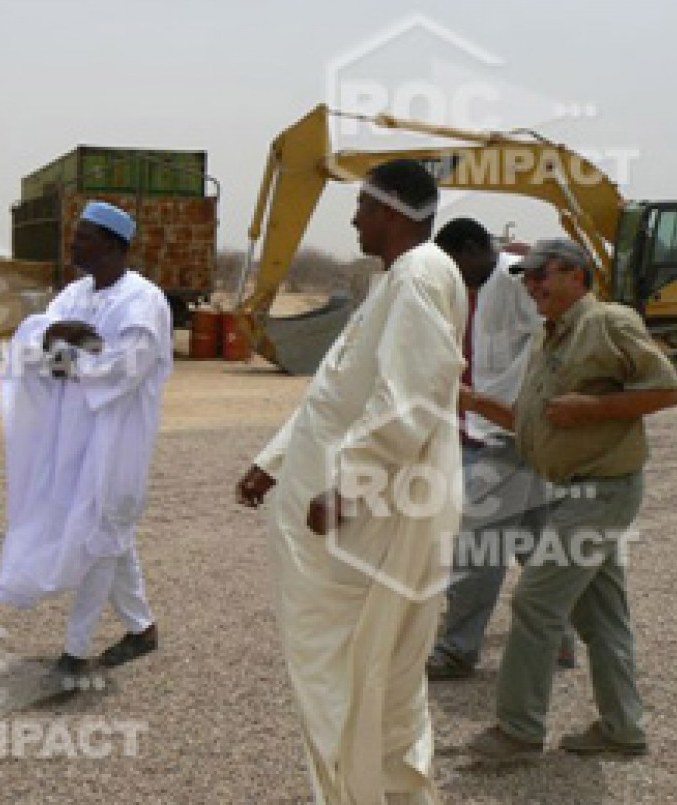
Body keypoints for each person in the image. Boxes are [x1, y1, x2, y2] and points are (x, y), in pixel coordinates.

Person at [236, 160, 466, 805]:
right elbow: (339, 391)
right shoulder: (399, 279)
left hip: (373, 522)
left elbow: (411, 395)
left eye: (362, 207)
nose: (355, 219)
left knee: (359, 670)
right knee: (367, 675)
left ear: (389, 211)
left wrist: (349, 487)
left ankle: (365, 791)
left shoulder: (419, 275)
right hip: (366, 512)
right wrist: (275, 460)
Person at [463, 238, 677, 761]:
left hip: (600, 492)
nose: (531, 285)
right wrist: (468, 400)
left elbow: (668, 390)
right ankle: (622, 729)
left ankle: (518, 732)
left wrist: (592, 409)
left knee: (535, 602)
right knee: (602, 618)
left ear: (577, 276)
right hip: (573, 492)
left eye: (542, 274)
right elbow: (532, 420)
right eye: (525, 276)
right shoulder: (550, 337)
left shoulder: (608, 322)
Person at [0, 201, 172, 691]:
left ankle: (74, 654)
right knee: (111, 530)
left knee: (102, 533)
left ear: (113, 245)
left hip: (119, 439)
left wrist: (63, 352)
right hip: (72, 437)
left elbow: (122, 369)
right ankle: (142, 629)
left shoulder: (143, 302)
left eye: (84, 237)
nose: (73, 244)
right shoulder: (74, 294)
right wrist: (59, 337)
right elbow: (33, 347)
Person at [426, 218, 575, 680]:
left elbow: (560, 335)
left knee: (478, 548)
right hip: (491, 431)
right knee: (535, 544)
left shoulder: (518, 282)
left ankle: (457, 649)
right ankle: (558, 639)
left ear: (473, 249)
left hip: (506, 435)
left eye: (454, 264)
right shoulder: (470, 290)